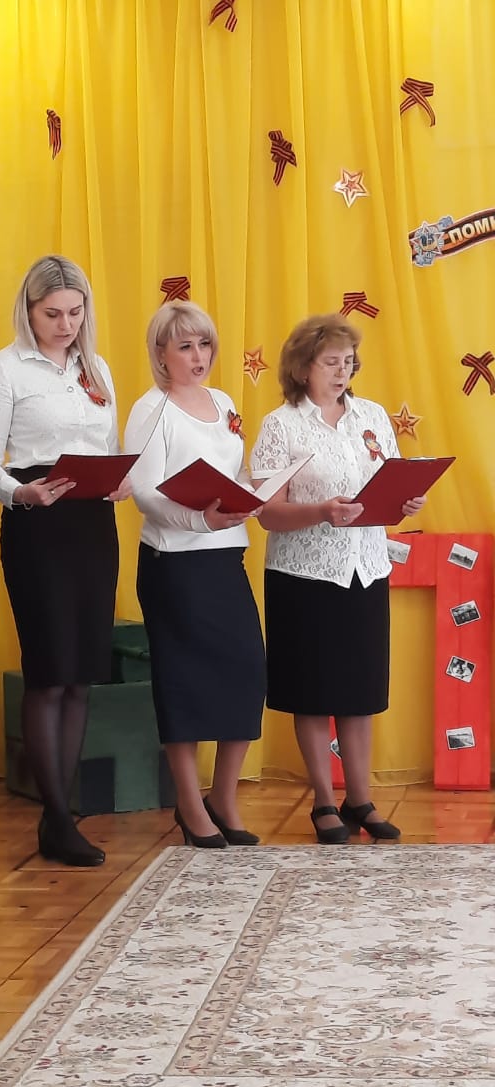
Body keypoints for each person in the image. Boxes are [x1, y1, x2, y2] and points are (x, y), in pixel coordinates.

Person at [250, 314, 425, 843]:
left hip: (365, 568)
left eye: (348, 362)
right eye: (331, 362)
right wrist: (322, 512)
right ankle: (324, 802)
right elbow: (266, 512)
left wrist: (405, 501)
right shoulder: (281, 425)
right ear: (303, 367)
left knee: (359, 690)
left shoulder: (372, 417)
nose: (342, 371)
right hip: (304, 574)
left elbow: (387, 485)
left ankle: (361, 800)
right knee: (312, 690)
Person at [0, 254, 125, 867]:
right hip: (38, 521)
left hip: (93, 523)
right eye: (52, 314)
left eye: (75, 312)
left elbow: (108, 447)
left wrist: (120, 481)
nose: (66, 325)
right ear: (29, 311)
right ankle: (57, 816)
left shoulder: (97, 368)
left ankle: (59, 816)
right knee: (49, 670)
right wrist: (20, 493)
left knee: (82, 672)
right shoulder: (2, 369)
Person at [124, 301, 266, 848]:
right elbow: (144, 491)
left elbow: (236, 469)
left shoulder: (224, 402)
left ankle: (223, 798)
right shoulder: (151, 408)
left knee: (246, 671)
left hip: (225, 557)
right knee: (183, 682)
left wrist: (256, 491)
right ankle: (189, 804)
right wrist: (198, 519)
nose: (198, 355)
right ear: (161, 354)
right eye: (184, 346)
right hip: (175, 564)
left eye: (204, 344)